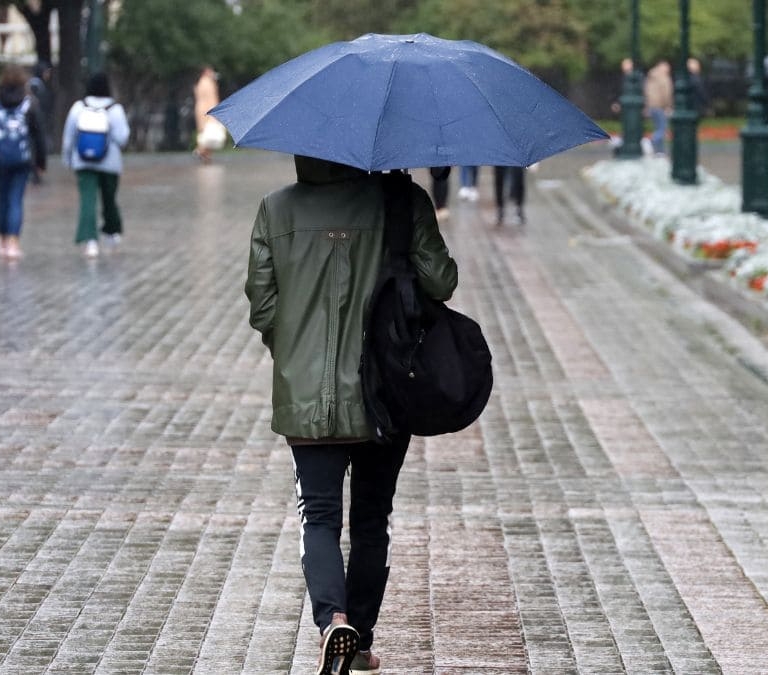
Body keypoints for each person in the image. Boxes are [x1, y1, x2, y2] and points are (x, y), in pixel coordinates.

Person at [245, 155, 457, 674]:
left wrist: (296, 351)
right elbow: (441, 281)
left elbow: (261, 305)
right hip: (385, 392)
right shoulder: (401, 201)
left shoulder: (275, 210)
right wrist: (415, 206)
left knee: (317, 516)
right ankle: (359, 641)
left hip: (304, 395)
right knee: (370, 520)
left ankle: (331, 621)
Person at [61, 72, 130, 258]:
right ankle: (112, 232)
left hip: (82, 162)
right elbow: (122, 138)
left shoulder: (78, 107)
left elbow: (69, 136)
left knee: (87, 200)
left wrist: (67, 158)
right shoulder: (115, 109)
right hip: (110, 163)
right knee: (109, 199)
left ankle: (90, 240)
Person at [0, 64, 46, 260]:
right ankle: (13, 242)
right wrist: (41, 162)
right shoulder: (30, 102)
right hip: (21, 158)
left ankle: (1, 242)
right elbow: (38, 135)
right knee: (15, 200)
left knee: (1, 199)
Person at [193, 66, 223, 163]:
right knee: (210, 134)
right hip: (208, 110)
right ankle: (201, 150)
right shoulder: (208, 83)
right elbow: (212, 99)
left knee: (205, 133)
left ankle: (205, 154)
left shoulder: (200, 83)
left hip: (201, 110)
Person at [643, 60, 673, 155]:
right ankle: (651, 141)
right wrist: (668, 106)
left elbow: (646, 92)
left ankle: (659, 150)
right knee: (662, 129)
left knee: (658, 127)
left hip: (651, 106)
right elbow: (667, 93)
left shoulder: (650, 77)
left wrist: (647, 106)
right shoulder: (664, 77)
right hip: (660, 106)